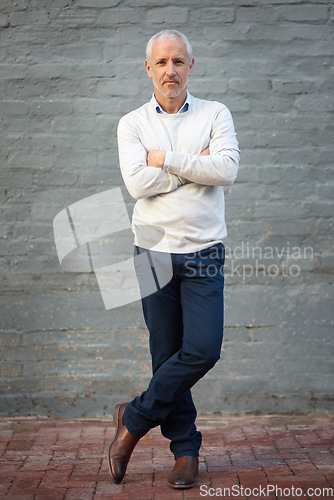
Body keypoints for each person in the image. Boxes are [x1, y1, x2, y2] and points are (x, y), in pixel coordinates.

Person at [107, 29, 239, 489]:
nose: (170, 70)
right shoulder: (132, 123)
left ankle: (135, 418)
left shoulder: (215, 113)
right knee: (165, 354)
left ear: (191, 66)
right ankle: (185, 451)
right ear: (149, 69)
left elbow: (226, 169)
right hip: (150, 250)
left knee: (202, 349)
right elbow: (138, 186)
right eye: (161, 63)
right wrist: (190, 164)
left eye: (178, 62)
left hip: (204, 250)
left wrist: (164, 159)